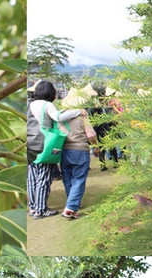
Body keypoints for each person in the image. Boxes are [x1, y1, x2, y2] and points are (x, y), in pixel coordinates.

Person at [27, 80, 84, 219]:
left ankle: (33, 207)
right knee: (44, 177)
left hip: (30, 140)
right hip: (44, 142)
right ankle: (41, 210)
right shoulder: (47, 105)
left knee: (32, 175)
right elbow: (58, 117)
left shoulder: (30, 104)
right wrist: (77, 111)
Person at [59, 91, 99, 219]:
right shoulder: (81, 116)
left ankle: (74, 202)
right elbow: (91, 135)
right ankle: (70, 208)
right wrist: (97, 146)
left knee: (68, 178)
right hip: (80, 150)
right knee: (79, 178)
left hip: (64, 151)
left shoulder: (60, 116)